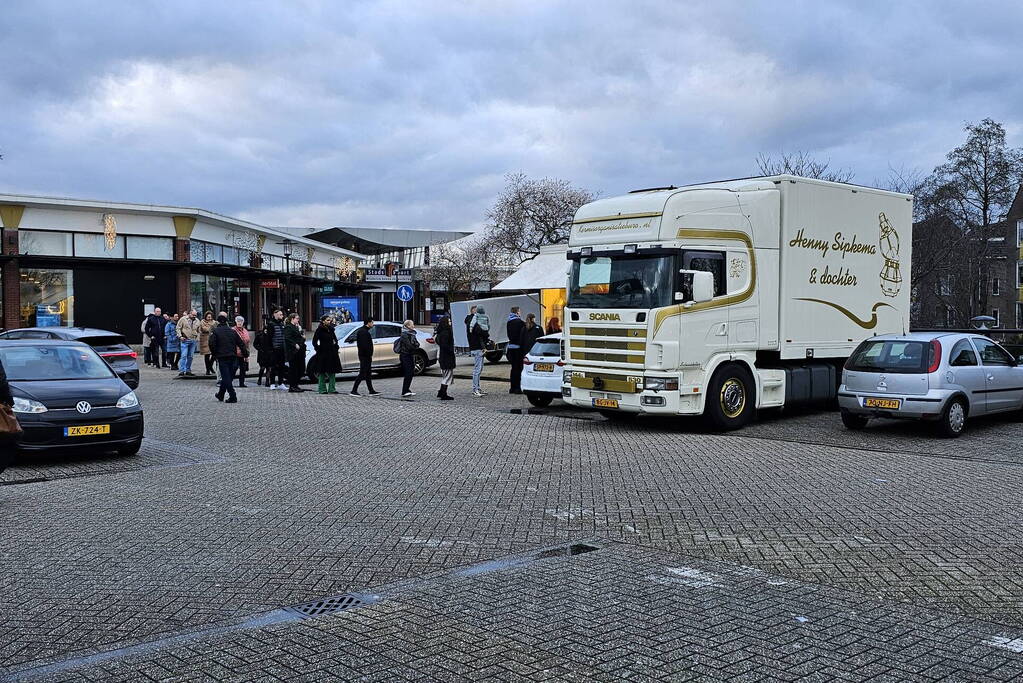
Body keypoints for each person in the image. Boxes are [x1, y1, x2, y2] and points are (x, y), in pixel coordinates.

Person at [209, 314, 246, 403]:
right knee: (228, 376)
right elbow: (240, 343)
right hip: (232, 356)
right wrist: (245, 353)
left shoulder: (216, 331)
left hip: (222, 357)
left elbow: (211, 344)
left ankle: (233, 395)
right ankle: (221, 394)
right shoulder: (232, 331)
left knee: (226, 377)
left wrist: (214, 354)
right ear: (226, 322)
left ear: (218, 322)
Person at [311, 315, 342, 394]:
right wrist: (319, 349)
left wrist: (336, 347)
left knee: (332, 371)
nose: (329, 321)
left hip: (332, 353)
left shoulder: (331, 329)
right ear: (323, 321)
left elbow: (335, 339)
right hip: (323, 353)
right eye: (327, 320)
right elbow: (314, 341)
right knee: (322, 371)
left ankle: (332, 389)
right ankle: (322, 389)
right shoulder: (319, 330)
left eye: (330, 320)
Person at [350, 317, 379, 396]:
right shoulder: (363, 332)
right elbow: (364, 345)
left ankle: (371, 390)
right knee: (362, 373)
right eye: (372, 322)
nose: (373, 324)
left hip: (366, 356)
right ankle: (354, 390)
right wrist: (368, 354)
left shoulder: (364, 331)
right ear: (368, 323)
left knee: (368, 373)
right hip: (365, 356)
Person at [468, 305, 490, 397]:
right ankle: (475, 389)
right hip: (478, 348)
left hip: (477, 348)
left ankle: (477, 387)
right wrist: (484, 346)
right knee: (477, 370)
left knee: (479, 369)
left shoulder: (474, 325)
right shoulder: (477, 326)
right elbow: (481, 336)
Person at [434, 315, 456, 401]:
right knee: (447, 376)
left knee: (445, 376)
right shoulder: (446, 333)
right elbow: (445, 345)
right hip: (446, 357)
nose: (450, 323)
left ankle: (441, 392)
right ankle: (443, 393)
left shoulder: (440, 332)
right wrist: (451, 351)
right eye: (449, 321)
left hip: (443, 356)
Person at [283, 313, 306, 393]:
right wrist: (295, 344)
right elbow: (287, 338)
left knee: (300, 369)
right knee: (294, 369)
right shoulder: (288, 327)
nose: (298, 320)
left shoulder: (297, 327)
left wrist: (302, 338)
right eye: (297, 318)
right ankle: (292, 386)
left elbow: (301, 338)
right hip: (293, 352)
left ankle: (295, 385)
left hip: (299, 351)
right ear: (292, 319)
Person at [506, 306, 526, 395]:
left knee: (513, 368)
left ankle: (512, 387)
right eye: (519, 311)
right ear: (517, 312)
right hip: (518, 348)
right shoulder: (520, 322)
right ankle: (518, 388)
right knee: (519, 368)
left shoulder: (509, 322)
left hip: (511, 347)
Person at [398, 319, 420, 397]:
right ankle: (404, 391)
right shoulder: (404, 334)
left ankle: (407, 389)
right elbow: (409, 346)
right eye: (412, 324)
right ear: (407, 326)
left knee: (410, 373)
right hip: (405, 355)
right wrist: (414, 347)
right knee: (408, 373)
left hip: (410, 355)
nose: (413, 326)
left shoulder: (412, 333)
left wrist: (415, 346)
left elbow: (417, 344)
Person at [267, 309, 287, 390]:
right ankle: (272, 383)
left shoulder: (282, 324)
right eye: (280, 314)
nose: (281, 316)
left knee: (281, 367)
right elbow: (268, 338)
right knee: (273, 367)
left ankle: (281, 383)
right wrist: (270, 349)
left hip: (281, 349)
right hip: (274, 349)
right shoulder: (271, 324)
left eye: (282, 314)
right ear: (275, 315)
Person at [176, 310, 201, 376]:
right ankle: (182, 371)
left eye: (195, 315)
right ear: (189, 314)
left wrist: (197, 338)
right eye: (193, 315)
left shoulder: (197, 321)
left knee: (190, 356)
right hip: (185, 340)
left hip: (193, 340)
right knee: (184, 355)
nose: (194, 316)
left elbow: (199, 330)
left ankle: (188, 370)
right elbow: (178, 328)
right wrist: (180, 336)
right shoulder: (183, 319)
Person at [232, 316, 251, 388]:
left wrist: (247, 355)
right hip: (235, 353)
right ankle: (229, 381)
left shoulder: (245, 331)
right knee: (234, 367)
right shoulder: (233, 330)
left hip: (243, 353)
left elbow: (247, 343)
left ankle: (242, 383)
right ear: (236, 322)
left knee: (243, 369)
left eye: (241, 321)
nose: (240, 323)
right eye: (238, 321)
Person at [253, 322, 274, 387]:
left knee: (268, 368)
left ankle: (267, 381)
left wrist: (272, 350)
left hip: (269, 354)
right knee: (262, 368)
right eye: (265, 329)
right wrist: (259, 349)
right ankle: (259, 379)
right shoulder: (259, 335)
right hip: (262, 354)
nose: (266, 331)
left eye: (267, 330)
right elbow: (255, 344)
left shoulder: (271, 335)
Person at [199, 311, 216, 375]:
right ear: (205, 317)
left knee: (214, 355)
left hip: (212, 340)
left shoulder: (214, 322)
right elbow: (204, 329)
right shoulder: (202, 322)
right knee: (207, 355)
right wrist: (211, 328)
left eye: (210, 317)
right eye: (208, 317)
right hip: (205, 340)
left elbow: (216, 329)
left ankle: (210, 366)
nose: (209, 318)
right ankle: (208, 370)